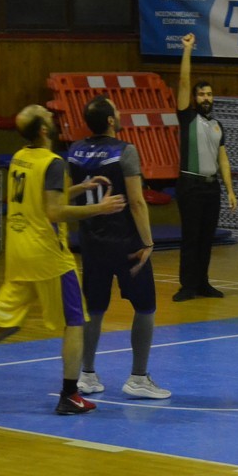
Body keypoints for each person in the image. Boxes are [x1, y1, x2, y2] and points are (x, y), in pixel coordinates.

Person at [0, 105, 127, 415]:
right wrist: (99, 208)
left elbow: (39, 199)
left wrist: (79, 189)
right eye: (46, 115)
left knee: (2, 323)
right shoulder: (53, 162)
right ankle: (69, 394)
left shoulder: (20, 157)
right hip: (48, 255)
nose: (51, 116)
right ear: (43, 129)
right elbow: (53, 211)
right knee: (75, 322)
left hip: (19, 252)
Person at [67, 96, 170, 399]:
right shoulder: (125, 151)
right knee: (145, 307)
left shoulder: (74, 151)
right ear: (111, 120)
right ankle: (138, 377)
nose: (121, 112)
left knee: (94, 309)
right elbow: (137, 202)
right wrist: (148, 241)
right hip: (126, 244)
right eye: (117, 109)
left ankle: (86, 374)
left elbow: (66, 194)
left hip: (91, 243)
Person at [173, 33, 237, 302]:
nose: (205, 97)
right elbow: (184, 81)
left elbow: (223, 159)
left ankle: (202, 283)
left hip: (212, 188)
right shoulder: (187, 117)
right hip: (190, 185)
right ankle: (187, 286)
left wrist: (230, 190)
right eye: (201, 94)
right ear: (194, 98)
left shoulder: (216, 126)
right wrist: (187, 50)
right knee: (191, 236)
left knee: (206, 237)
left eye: (209, 94)